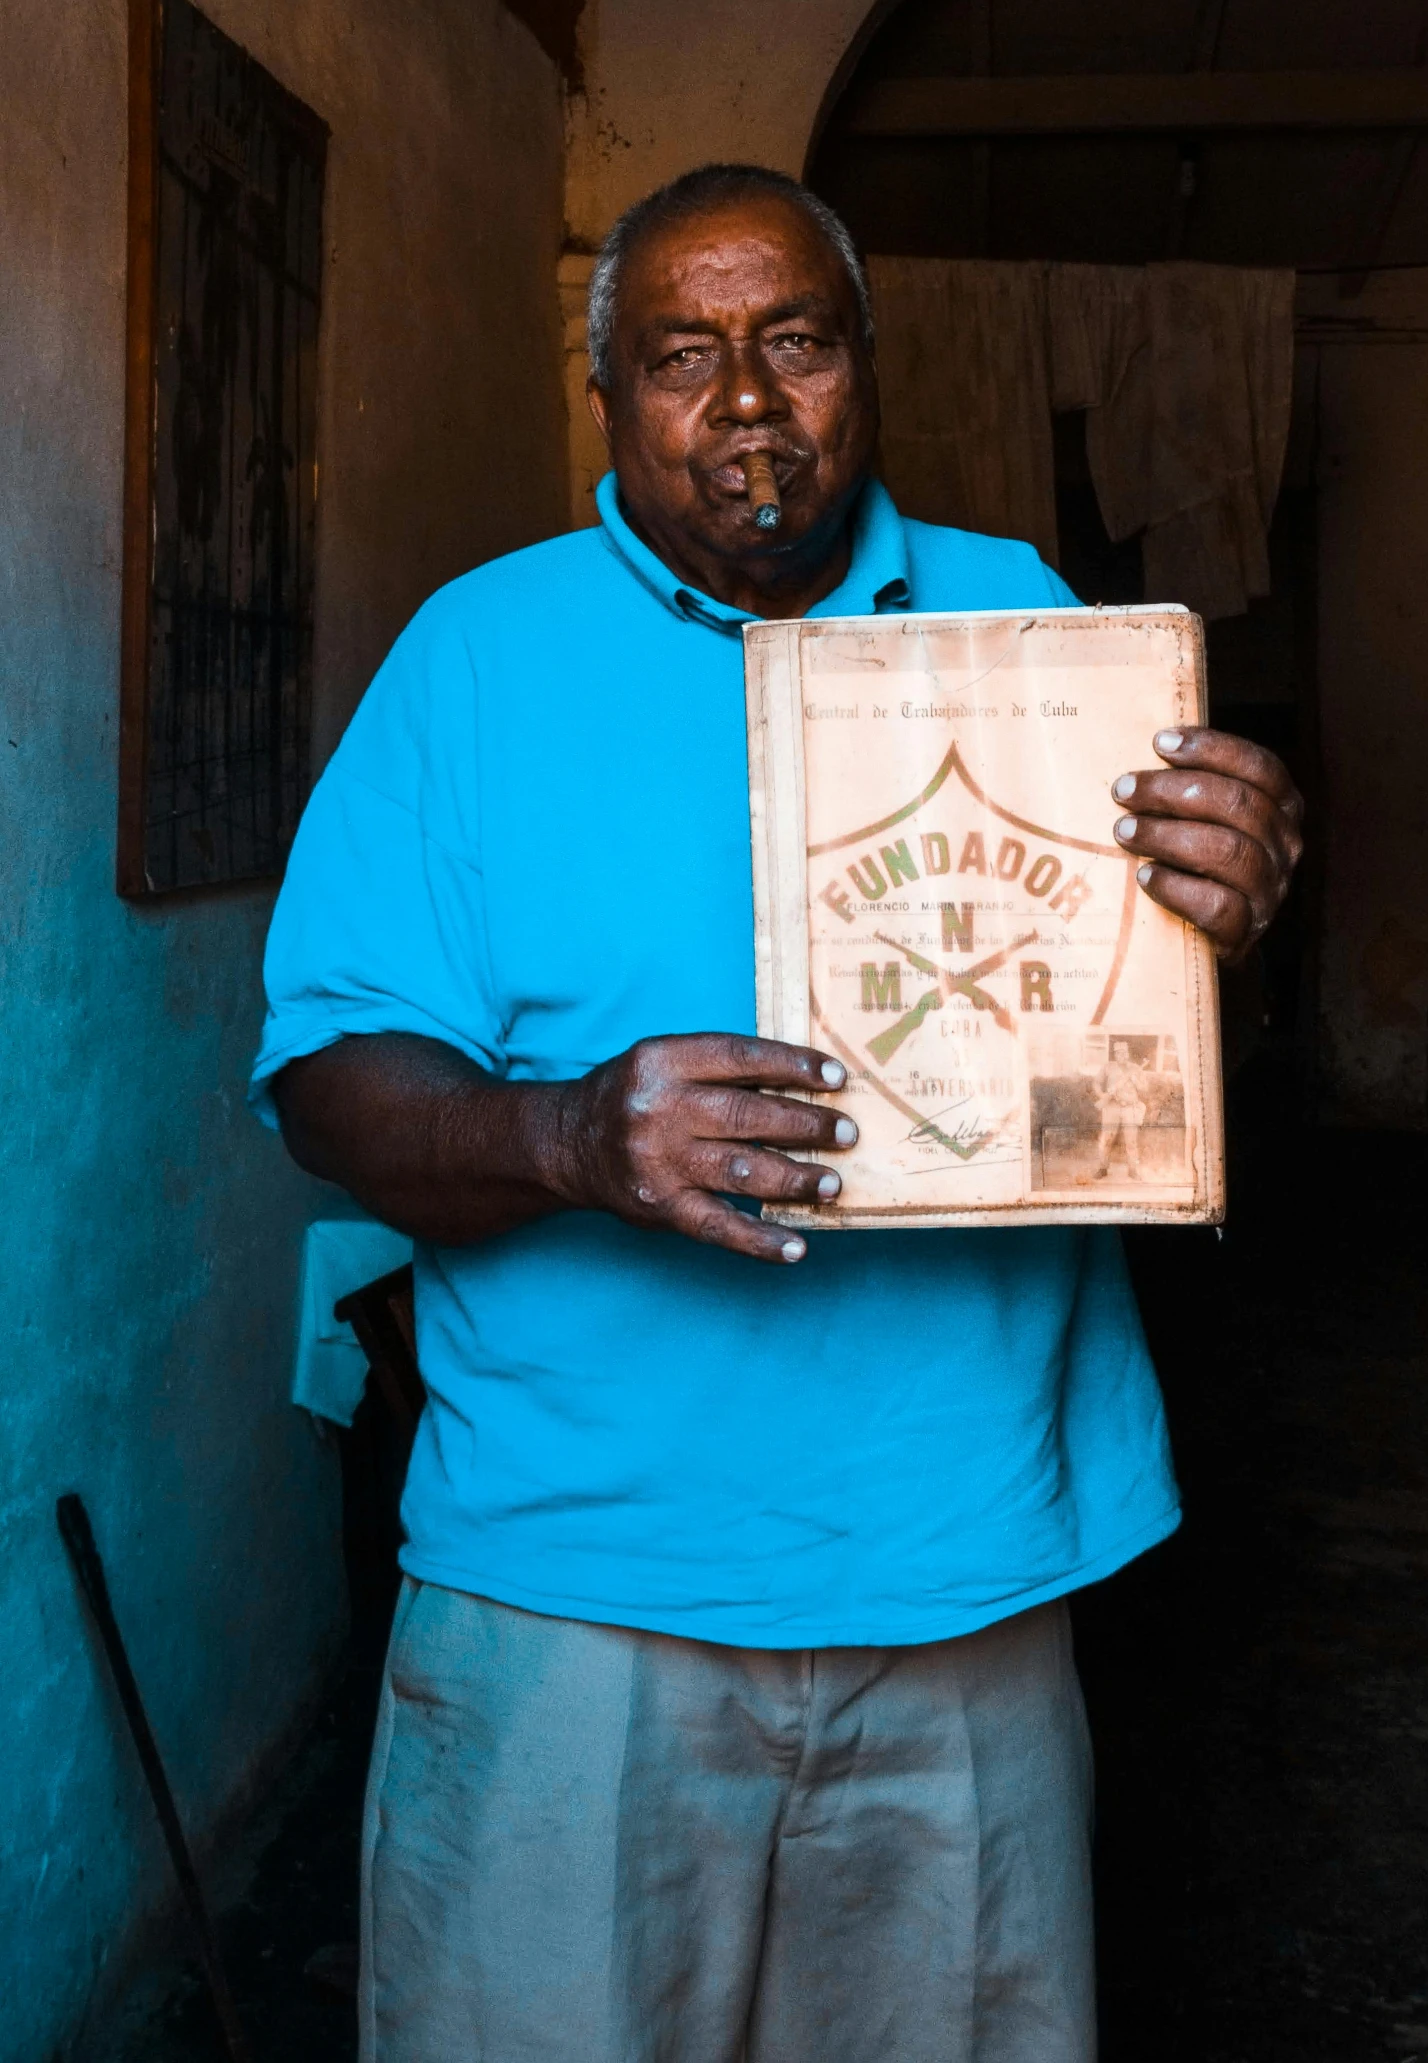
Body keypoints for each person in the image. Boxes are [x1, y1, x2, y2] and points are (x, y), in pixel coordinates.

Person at [254, 163, 1303, 2062]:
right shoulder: (476, 661)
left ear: (864, 370)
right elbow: (329, 1087)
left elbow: (1127, 998)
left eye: (795, 341)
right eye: (681, 352)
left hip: (968, 1576)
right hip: (572, 1597)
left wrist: (1233, 891)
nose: (745, 400)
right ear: (608, 399)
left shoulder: (1036, 624)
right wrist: (571, 1139)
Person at [1094, 1039, 1150, 1180]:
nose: (1121, 1055)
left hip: (1130, 1108)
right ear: (1114, 1054)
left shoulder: (1136, 1068)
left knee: (1131, 1141)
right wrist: (1102, 1095)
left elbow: (1144, 1088)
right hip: (1111, 1107)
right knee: (1106, 1139)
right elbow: (1096, 1082)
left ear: (1128, 1053)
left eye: (1124, 1052)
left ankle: (1133, 1170)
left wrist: (1135, 1080)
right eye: (1118, 1053)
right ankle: (1103, 1168)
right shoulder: (1108, 1067)